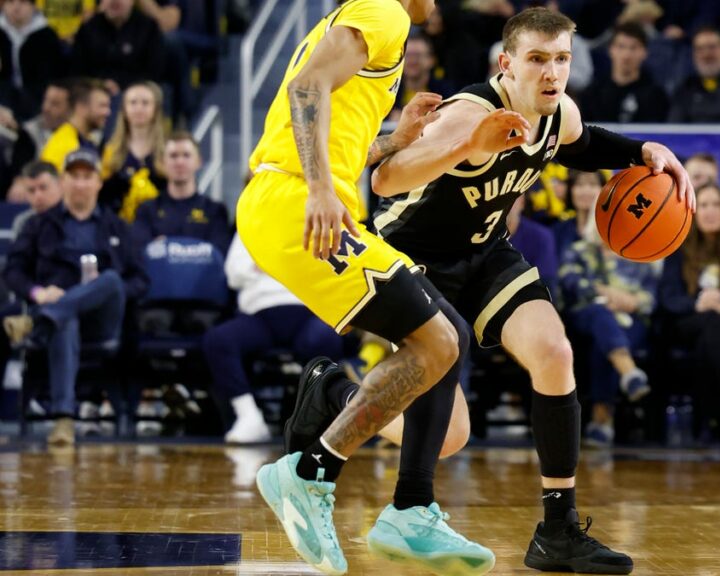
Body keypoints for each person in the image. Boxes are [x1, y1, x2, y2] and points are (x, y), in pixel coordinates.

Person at [362, 8, 692, 572]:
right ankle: (342, 405)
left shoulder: (558, 113)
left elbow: (583, 145)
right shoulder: (470, 114)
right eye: (537, 59)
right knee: (451, 436)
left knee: (555, 352)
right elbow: (385, 179)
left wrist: (642, 151)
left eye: (560, 59)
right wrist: (467, 147)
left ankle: (557, 530)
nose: (551, 73)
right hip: (411, 256)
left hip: (484, 249)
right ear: (506, 64)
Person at [237, 1, 496, 574]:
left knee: (444, 337)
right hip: (293, 201)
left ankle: (411, 505)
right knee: (437, 341)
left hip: (296, 199)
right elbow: (306, 88)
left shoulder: (373, 25)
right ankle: (310, 473)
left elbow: (338, 133)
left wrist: (394, 139)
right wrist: (321, 189)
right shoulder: (385, 10)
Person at [2, 148, 148, 447]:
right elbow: (14, 272)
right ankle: (63, 420)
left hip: (103, 319)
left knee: (110, 279)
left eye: (87, 176)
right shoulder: (38, 224)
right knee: (64, 318)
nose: (80, 183)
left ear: (98, 182)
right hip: (60, 318)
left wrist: (105, 291)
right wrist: (38, 292)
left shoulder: (117, 226)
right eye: (74, 176)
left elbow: (140, 280)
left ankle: (37, 322)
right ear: (64, 181)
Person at [204, 234, 345, 444]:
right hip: (259, 314)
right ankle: (248, 416)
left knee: (327, 339)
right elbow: (233, 274)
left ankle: (314, 420)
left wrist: (268, 263)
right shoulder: (251, 223)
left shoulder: (319, 221)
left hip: (309, 310)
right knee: (219, 340)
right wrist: (287, 264)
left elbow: (336, 268)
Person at [657, 184, 720, 431]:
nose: (710, 211)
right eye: (703, 205)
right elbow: (669, 297)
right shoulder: (678, 246)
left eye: (716, 205)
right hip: (686, 320)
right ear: (693, 211)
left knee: (711, 335)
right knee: (710, 324)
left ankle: (707, 422)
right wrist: (698, 304)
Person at [560, 207, 657, 449]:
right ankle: (629, 373)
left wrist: (632, 301)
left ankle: (602, 420)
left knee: (605, 341)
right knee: (601, 315)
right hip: (587, 315)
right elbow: (570, 283)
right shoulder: (579, 250)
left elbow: (651, 297)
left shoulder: (641, 255)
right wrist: (606, 293)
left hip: (629, 320)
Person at [133, 132, 231, 255]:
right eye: (173, 156)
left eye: (186, 155)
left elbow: (219, 255)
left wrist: (165, 247)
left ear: (199, 162)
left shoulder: (215, 211)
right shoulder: (146, 210)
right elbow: (140, 254)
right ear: (162, 163)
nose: (180, 162)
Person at [100, 81, 167, 221]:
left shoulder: (168, 151)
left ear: (156, 109)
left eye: (145, 103)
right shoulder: (109, 151)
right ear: (124, 109)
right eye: (133, 102)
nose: (139, 108)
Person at [69, 0, 166, 94]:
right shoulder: (88, 28)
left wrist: (122, 84)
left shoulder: (149, 28)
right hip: (94, 92)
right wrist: (100, 84)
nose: (114, 1)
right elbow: (78, 72)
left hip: (136, 91)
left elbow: (154, 72)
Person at [580, 22, 668, 123]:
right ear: (610, 50)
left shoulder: (656, 96)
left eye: (633, 48)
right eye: (621, 47)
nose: (626, 55)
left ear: (644, 52)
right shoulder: (592, 94)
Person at [0, 0, 63, 120]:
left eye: (23, 2)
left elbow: (49, 79)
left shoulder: (47, 36)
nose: (16, 7)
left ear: (33, 6)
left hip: (36, 103)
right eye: (10, 2)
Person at [40, 79, 111, 173]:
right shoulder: (63, 146)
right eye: (102, 106)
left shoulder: (88, 141)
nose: (107, 112)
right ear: (81, 107)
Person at [12, 160, 62, 236]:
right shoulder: (23, 222)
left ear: (59, 185)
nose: (38, 196)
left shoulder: (75, 218)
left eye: (43, 187)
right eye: (31, 190)